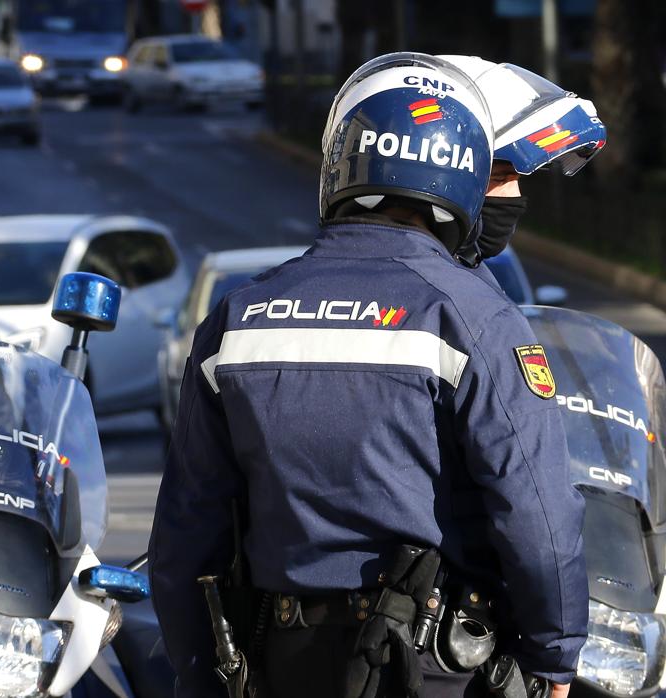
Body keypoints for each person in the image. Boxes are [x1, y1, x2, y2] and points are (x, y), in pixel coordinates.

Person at [149, 53, 586, 698]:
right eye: (501, 174)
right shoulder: (473, 317)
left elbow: (189, 526)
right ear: (459, 176)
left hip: (280, 659)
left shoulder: (239, 317)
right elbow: (537, 515)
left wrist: (195, 669)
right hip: (431, 666)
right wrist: (554, 656)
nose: (515, 193)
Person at [441, 56, 606, 269]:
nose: (514, 196)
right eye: (499, 178)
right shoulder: (431, 291)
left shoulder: (456, 273)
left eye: (516, 179)